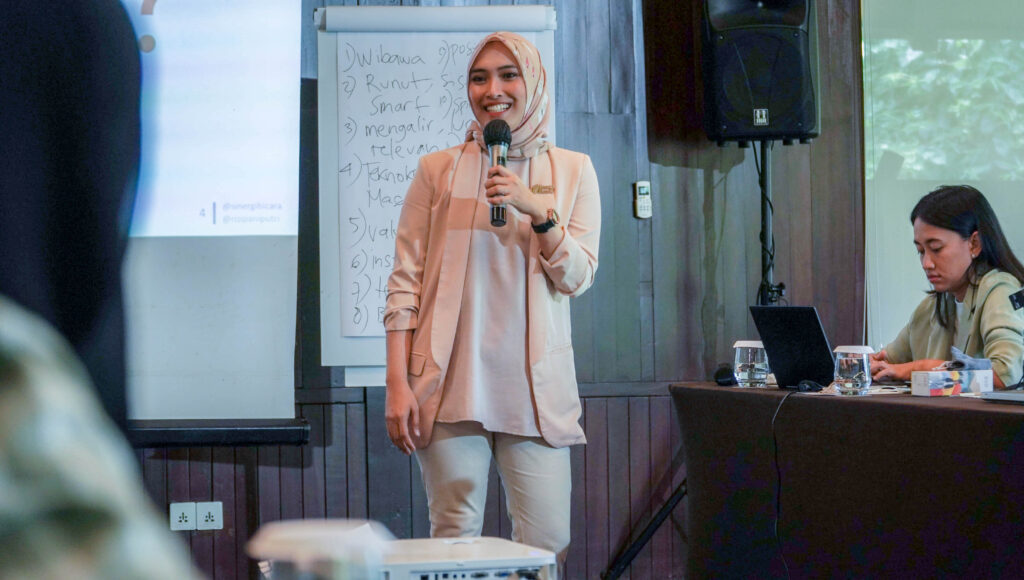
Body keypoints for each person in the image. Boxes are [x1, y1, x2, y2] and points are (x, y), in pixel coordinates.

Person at [383, 32, 601, 569]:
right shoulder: (437, 170)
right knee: (453, 543)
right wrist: (396, 383)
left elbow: (577, 278)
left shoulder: (573, 169)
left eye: (508, 75)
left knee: (547, 542)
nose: (492, 90)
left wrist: (538, 211)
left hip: (534, 391)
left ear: (534, 82)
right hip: (450, 386)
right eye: (479, 79)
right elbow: (404, 282)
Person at [870, 185, 1024, 388]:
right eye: (921, 251)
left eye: (936, 249)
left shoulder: (1002, 291)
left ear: (974, 244)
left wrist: (920, 367)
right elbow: (890, 362)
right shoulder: (934, 304)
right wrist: (869, 364)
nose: (926, 263)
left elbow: (1004, 374)